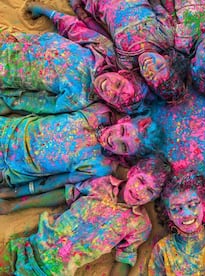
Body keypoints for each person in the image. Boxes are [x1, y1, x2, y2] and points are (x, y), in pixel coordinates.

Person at [0, 154, 172, 275]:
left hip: (54, 272)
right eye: (140, 181)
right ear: (132, 172)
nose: (140, 191)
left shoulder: (140, 225)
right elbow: (65, 194)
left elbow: (124, 259)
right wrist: (14, 206)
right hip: (28, 247)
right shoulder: (102, 184)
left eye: (150, 191)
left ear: (155, 197)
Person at [0, 5, 148, 116]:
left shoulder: (78, 99)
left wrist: (8, 99)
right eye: (118, 84)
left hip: (7, 72)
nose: (109, 88)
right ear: (122, 73)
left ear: (111, 104)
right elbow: (74, 28)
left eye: (114, 97)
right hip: (17, 41)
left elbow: (39, 103)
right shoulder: (103, 52)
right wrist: (46, 11)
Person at [0, 102, 163, 198]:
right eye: (122, 131)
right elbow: (48, 107)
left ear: (128, 156)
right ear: (125, 120)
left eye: (124, 146)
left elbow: (56, 181)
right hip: (8, 130)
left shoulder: (101, 166)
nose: (113, 140)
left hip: (11, 170)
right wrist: (9, 104)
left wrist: (16, 194)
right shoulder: (98, 112)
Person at [66, 0, 186, 102]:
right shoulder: (165, 37)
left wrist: (81, 12)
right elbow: (158, 6)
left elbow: (102, 36)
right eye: (159, 67)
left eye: (150, 75)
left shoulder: (126, 62)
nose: (150, 66)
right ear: (167, 59)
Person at [148, 171, 205, 275]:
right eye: (176, 209)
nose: (186, 214)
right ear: (169, 214)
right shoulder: (162, 250)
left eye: (193, 204)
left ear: (204, 204)